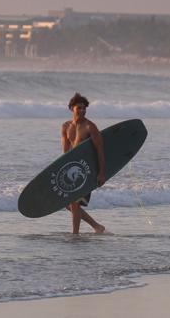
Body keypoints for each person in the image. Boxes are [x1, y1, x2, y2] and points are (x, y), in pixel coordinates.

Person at [61, 93, 106, 234]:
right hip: (73, 169)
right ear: (71, 108)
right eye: (78, 108)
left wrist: (101, 173)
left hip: (86, 169)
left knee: (73, 203)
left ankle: (75, 235)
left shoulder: (90, 127)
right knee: (68, 204)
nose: (82, 110)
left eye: (84, 108)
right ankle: (97, 226)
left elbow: (100, 151)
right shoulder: (65, 127)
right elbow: (66, 153)